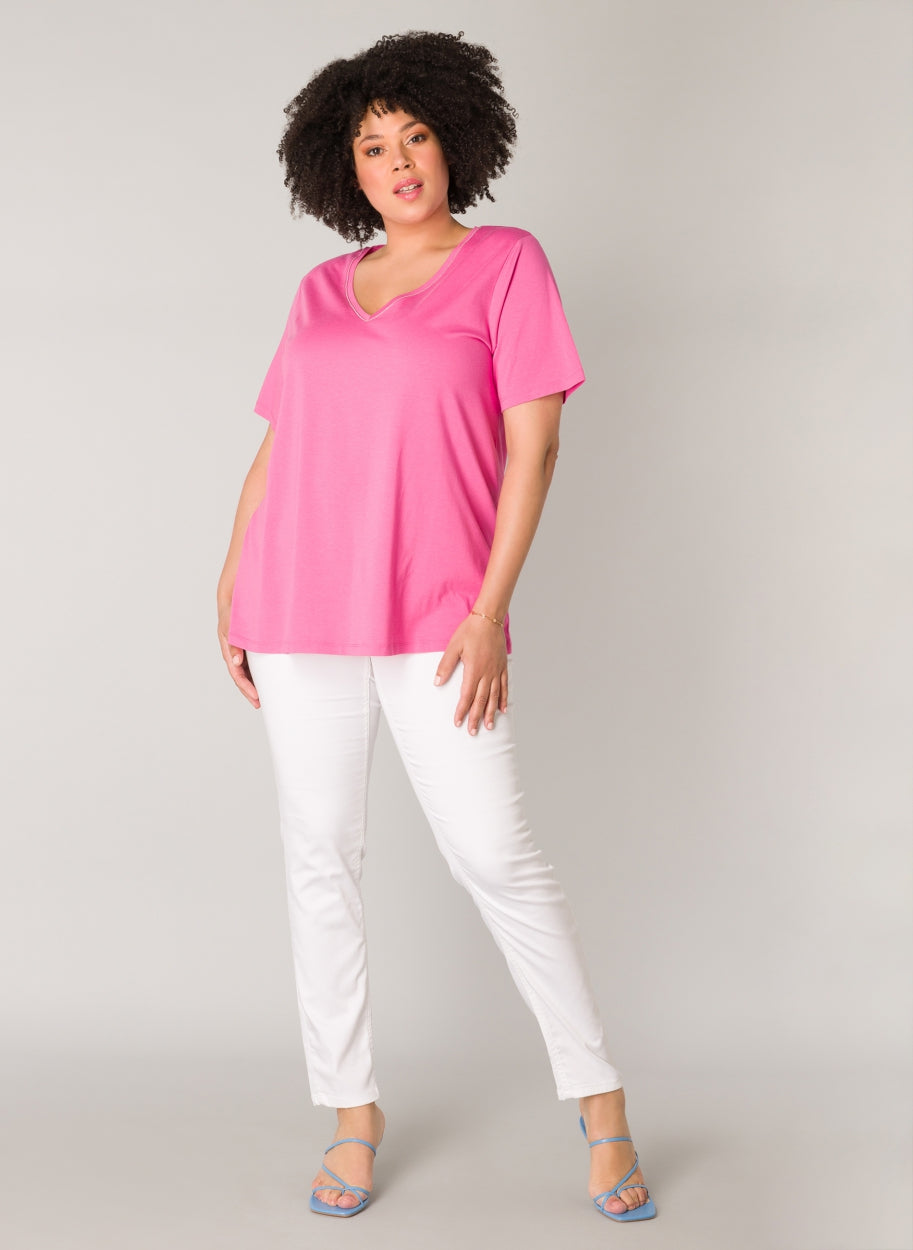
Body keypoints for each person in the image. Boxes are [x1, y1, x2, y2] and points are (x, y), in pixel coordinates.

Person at [216, 30, 657, 1224]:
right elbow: (280, 445)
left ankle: (600, 1096)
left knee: (494, 853)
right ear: (341, 167)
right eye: (373, 146)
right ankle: (352, 1112)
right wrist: (230, 578)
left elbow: (535, 447)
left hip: (438, 616)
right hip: (296, 604)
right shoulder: (319, 290)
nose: (400, 161)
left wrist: (488, 609)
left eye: (415, 136)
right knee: (320, 855)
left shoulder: (506, 264)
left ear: (454, 140)